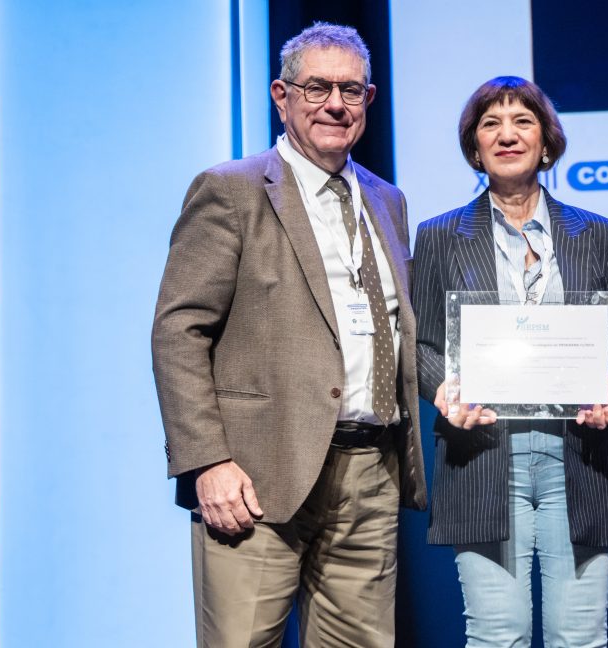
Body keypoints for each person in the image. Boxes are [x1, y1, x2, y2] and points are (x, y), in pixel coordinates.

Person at [151, 22, 426, 647]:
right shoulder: (232, 190)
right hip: (256, 476)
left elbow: (397, 330)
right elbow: (178, 330)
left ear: (369, 100)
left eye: (351, 91)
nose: (335, 103)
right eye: (318, 87)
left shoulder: (388, 201)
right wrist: (206, 462)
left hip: (369, 470)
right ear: (282, 95)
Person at [412, 76, 608, 647]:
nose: (507, 134)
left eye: (522, 121)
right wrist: (445, 389)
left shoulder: (595, 233)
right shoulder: (439, 235)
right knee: (498, 636)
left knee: (580, 636)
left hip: (580, 455)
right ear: (474, 148)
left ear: (546, 142)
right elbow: (419, 345)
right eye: (491, 123)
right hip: (485, 457)